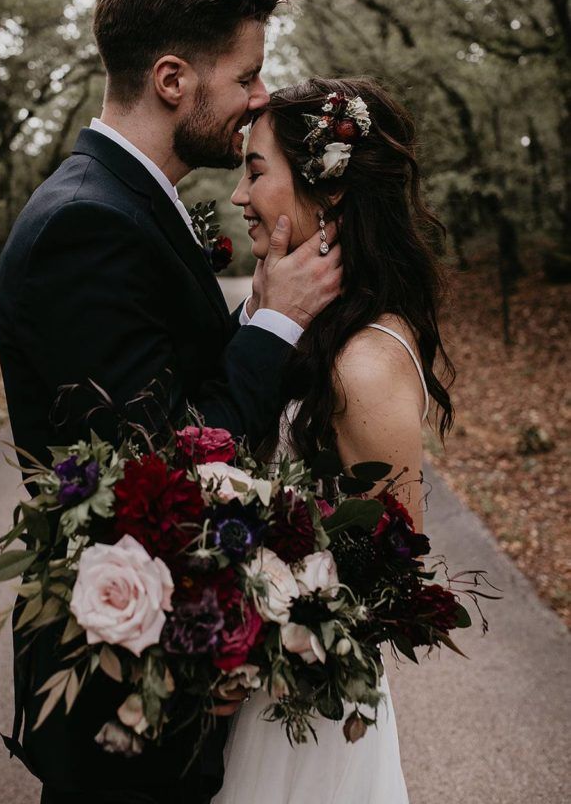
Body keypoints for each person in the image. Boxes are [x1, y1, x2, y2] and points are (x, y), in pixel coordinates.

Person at [0, 0, 342, 804]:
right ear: (174, 80)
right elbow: (165, 467)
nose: (260, 98)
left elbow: (164, 380)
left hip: (168, 667)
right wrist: (274, 324)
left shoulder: (129, 203)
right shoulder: (87, 227)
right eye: (248, 75)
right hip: (120, 693)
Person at [219, 76, 455, 803]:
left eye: (255, 171)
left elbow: (390, 574)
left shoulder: (363, 361)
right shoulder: (308, 330)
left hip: (307, 708)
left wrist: (262, 599)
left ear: (329, 195)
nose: (237, 195)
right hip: (257, 687)